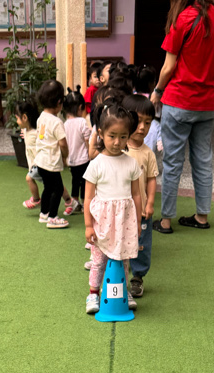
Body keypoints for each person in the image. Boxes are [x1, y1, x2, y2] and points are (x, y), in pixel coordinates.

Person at [150, 0, 214, 234]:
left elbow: (168, 67)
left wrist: (157, 91)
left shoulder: (182, 19)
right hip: (207, 102)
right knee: (202, 160)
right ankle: (201, 216)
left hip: (179, 100)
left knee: (172, 162)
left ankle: (165, 221)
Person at [83, 103, 142, 315]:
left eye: (123, 136)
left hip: (124, 221)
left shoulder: (131, 163)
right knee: (99, 261)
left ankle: (123, 292)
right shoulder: (96, 164)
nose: (117, 142)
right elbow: (88, 197)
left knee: (123, 260)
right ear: (101, 134)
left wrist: (138, 222)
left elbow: (136, 194)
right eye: (112, 136)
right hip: (102, 223)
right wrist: (88, 226)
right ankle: (93, 293)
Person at [122, 95, 158, 300]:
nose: (142, 127)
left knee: (141, 245)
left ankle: (137, 277)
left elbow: (151, 179)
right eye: (138, 121)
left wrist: (150, 203)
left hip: (141, 211)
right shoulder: (118, 150)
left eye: (148, 122)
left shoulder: (148, 153)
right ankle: (117, 275)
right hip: (119, 209)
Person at [35, 79, 70, 229]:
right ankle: (53, 217)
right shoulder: (56, 122)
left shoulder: (41, 117)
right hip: (51, 162)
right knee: (58, 189)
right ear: (59, 102)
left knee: (48, 188)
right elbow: (63, 143)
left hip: (41, 161)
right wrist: (65, 155)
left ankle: (44, 213)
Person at [63, 88, 92, 214]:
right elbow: (87, 140)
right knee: (84, 182)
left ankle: (74, 203)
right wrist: (91, 154)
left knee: (75, 181)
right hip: (84, 159)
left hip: (72, 160)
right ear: (80, 107)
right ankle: (85, 203)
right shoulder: (82, 122)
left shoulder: (65, 124)